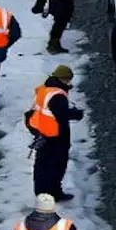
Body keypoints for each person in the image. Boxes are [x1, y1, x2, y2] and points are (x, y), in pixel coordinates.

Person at [25, 64, 83, 201]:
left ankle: (41, 192)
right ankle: (53, 193)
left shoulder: (45, 89)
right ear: (64, 79)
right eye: (68, 80)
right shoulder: (58, 95)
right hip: (55, 136)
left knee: (42, 165)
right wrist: (77, 114)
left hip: (42, 133)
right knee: (56, 165)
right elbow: (61, 115)